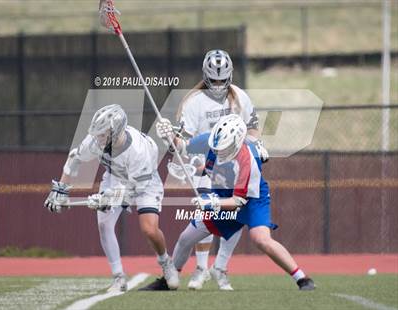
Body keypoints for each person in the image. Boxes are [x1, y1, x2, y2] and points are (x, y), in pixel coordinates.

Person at [148, 114, 315, 291]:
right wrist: (169, 137)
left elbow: (237, 201)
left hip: (251, 200)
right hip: (222, 192)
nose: (219, 151)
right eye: (216, 147)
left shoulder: (248, 161)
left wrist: (212, 202)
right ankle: (169, 280)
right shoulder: (211, 140)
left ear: (237, 143)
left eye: (224, 148)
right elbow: (182, 147)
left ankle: (302, 278)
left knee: (261, 239)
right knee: (186, 238)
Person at [44, 104, 179, 292]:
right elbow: (75, 157)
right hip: (114, 177)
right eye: (97, 133)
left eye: (102, 134)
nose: (97, 139)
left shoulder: (139, 151)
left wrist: (108, 199)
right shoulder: (95, 141)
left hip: (144, 181)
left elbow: (134, 189)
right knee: (104, 224)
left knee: (149, 229)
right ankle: (118, 277)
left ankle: (166, 262)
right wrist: (61, 190)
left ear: (116, 131)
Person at [174, 49, 264, 290]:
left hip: (234, 167)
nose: (217, 85)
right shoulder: (194, 102)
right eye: (213, 80)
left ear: (230, 76)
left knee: (232, 217)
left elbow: (253, 129)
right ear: (205, 76)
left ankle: (220, 267)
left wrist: (254, 146)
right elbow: (185, 140)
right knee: (206, 217)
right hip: (207, 165)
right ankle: (201, 268)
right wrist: (177, 143)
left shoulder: (240, 97)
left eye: (221, 80)